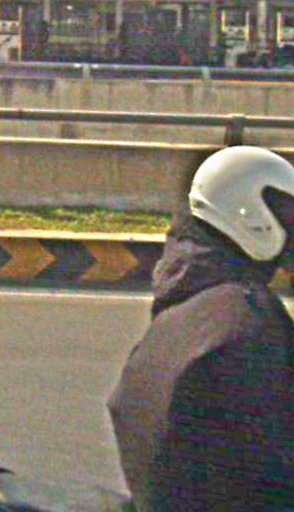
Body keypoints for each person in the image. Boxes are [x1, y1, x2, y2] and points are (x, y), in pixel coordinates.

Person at [108, 146, 294, 512]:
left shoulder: (189, 302)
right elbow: (276, 453)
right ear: (251, 212)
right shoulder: (245, 324)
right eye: (286, 212)